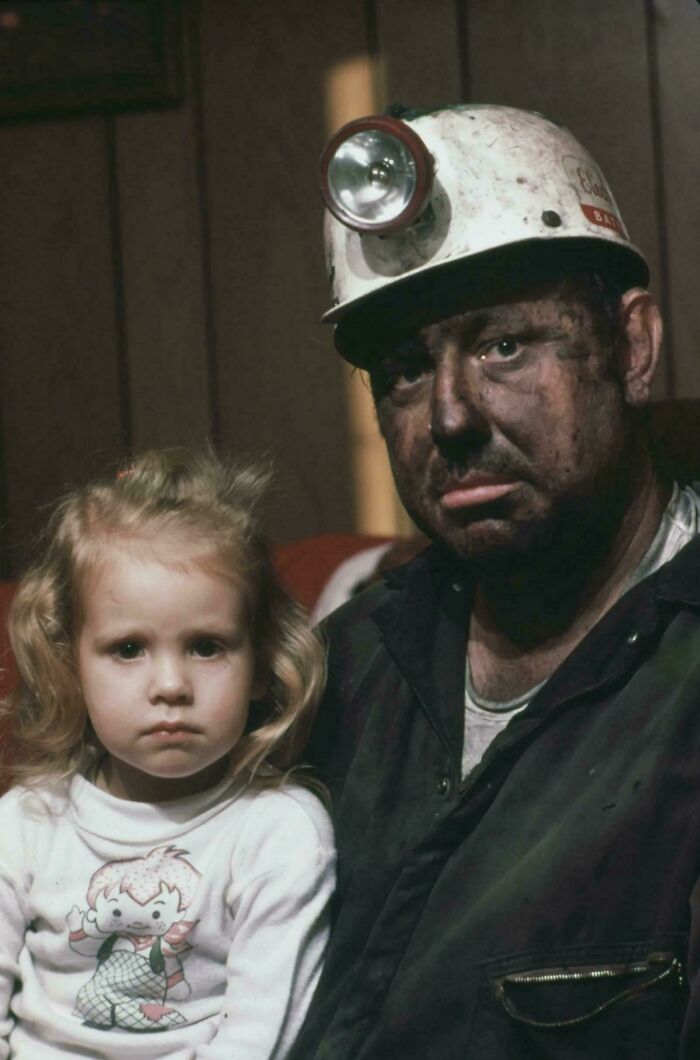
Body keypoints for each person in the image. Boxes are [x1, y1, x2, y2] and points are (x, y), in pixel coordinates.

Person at [289, 104, 700, 1058]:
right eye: (403, 369)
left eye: (503, 346)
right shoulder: (340, 671)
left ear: (632, 346)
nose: (450, 416)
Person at [0, 450, 336, 1059]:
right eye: (128, 649)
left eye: (207, 647)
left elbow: (258, 1041)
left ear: (262, 662)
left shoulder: (278, 834)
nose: (171, 686)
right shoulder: (26, 822)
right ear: (70, 664)